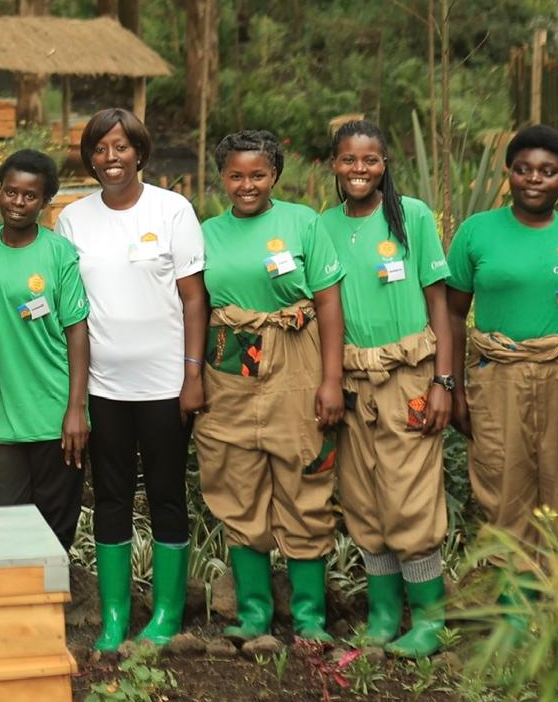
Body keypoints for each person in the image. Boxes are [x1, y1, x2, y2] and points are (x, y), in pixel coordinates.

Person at [444, 124, 558, 588]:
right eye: (523, 169)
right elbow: (453, 315)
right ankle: (513, 600)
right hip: (498, 376)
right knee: (502, 478)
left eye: (548, 171)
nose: (535, 179)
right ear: (509, 173)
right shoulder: (476, 233)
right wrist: (455, 388)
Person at [57, 110, 206, 651]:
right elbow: (70, 306)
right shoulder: (73, 218)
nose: (110, 157)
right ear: (89, 157)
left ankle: (166, 613)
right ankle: (116, 615)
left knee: (167, 494)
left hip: (166, 383)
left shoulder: (172, 210)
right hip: (103, 386)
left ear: (139, 152)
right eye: (100, 148)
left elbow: (194, 298)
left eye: (120, 147)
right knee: (112, 497)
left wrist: (193, 375)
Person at [197, 130, 346, 643]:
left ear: (275, 175)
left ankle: (309, 617)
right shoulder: (206, 232)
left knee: (305, 474)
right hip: (230, 361)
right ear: (221, 178)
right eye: (235, 175)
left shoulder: (302, 222)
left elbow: (329, 303)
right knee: (237, 481)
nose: (246, 185)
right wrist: (191, 374)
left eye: (257, 174)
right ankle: (255, 613)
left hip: (297, 355)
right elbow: (193, 307)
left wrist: (331, 380)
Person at [323, 120, 453, 658]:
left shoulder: (412, 218)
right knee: (364, 497)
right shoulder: (322, 227)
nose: (360, 169)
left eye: (370, 160)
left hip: (410, 376)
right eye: (349, 160)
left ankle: (428, 619)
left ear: (384, 164)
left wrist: (445, 380)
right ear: (333, 164)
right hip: (354, 381)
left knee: (410, 495)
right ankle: (381, 615)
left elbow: (440, 303)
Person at [0, 149, 91, 556]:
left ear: (44, 202)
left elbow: (77, 332)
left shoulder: (58, 253)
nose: (18, 203)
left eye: (29, 196)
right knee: (7, 525)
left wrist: (76, 409)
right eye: (11, 192)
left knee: (55, 528)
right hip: (0, 414)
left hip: (55, 414)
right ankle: (14, 615)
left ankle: (49, 617)